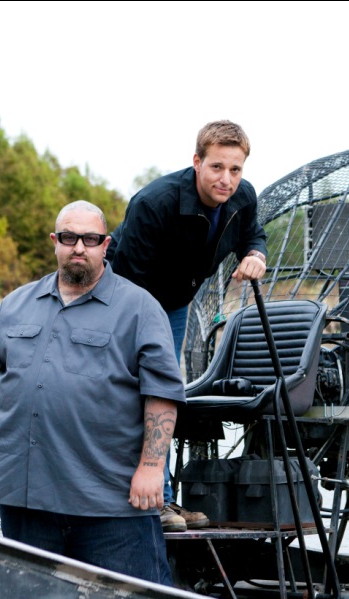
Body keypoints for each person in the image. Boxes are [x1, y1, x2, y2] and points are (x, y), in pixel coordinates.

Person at [0, 200, 185, 586]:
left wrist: (151, 467)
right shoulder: (13, 306)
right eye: (69, 237)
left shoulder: (141, 309)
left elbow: (162, 392)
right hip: (26, 500)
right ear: (55, 242)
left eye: (90, 239)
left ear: (106, 245)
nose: (79, 247)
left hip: (111, 503)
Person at [106, 120, 268, 532]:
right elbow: (125, 276)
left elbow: (254, 234)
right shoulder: (154, 202)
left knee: (164, 393)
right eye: (216, 167)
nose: (226, 179)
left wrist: (255, 256)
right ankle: (141, 500)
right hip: (126, 299)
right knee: (137, 391)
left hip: (176, 302)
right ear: (196, 162)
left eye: (235, 169)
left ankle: (161, 498)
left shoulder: (243, 197)